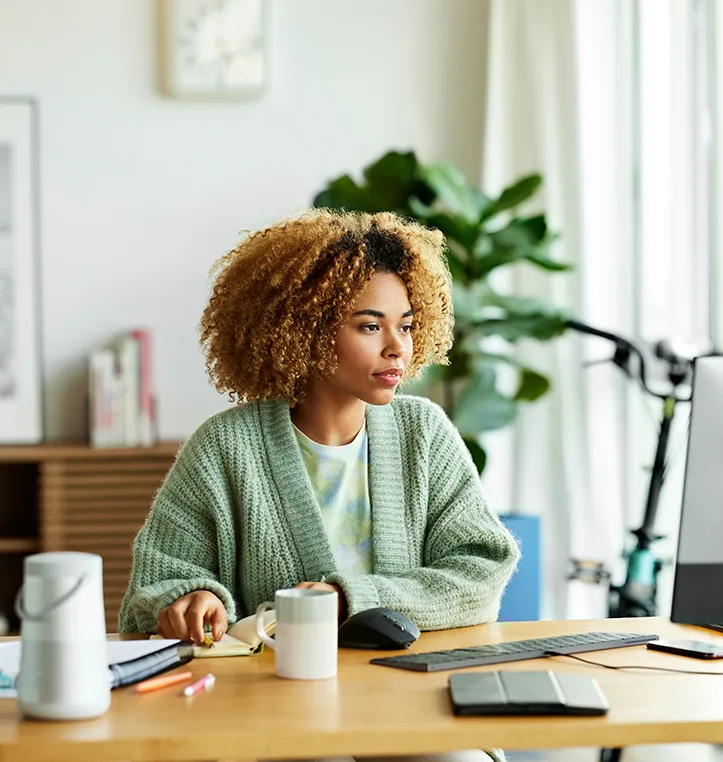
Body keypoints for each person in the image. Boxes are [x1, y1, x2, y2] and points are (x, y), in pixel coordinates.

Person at [118, 209, 519, 645]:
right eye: (370, 326)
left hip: (405, 691)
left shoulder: (423, 433)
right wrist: (192, 597)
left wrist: (349, 600)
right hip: (271, 699)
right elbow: (155, 586)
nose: (397, 347)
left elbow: (481, 571)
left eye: (405, 325)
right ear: (305, 329)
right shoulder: (224, 447)